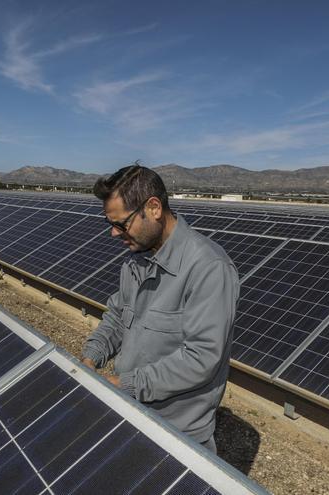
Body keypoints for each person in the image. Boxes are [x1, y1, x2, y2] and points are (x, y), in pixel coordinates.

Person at [81, 163, 240, 454]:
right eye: (110, 224)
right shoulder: (135, 261)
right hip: (130, 411)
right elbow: (117, 316)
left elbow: (201, 358)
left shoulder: (208, 268)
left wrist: (127, 384)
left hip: (177, 435)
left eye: (121, 224)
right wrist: (90, 358)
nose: (114, 234)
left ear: (153, 208)